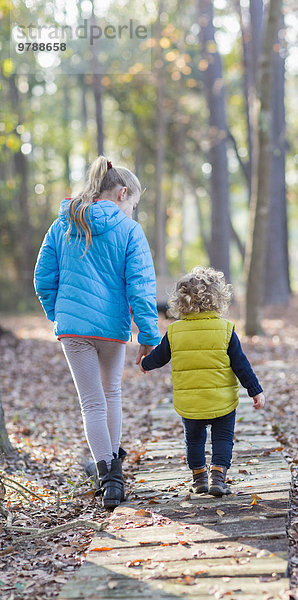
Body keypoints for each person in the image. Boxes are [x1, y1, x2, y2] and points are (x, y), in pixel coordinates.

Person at [34, 156, 161, 509]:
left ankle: (108, 475)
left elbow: (43, 279)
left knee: (91, 403)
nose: (132, 211)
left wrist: (58, 315)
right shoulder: (130, 231)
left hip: (73, 330)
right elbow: (140, 286)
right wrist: (148, 335)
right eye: (133, 204)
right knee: (111, 395)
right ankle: (113, 474)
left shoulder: (62, 224)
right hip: (111, 330)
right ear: (122, 193)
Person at [140, 266, 265, 497]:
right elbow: (241, 365)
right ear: (218, 299)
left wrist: (145, 364)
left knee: (194, 440)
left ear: (180, 301)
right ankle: (218, 476)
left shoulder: (175, 331)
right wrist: (255, 391)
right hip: (222, 401)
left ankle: (199, 479)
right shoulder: (226, 330)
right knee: (223, 438)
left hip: (191, 403)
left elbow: (159, 357)